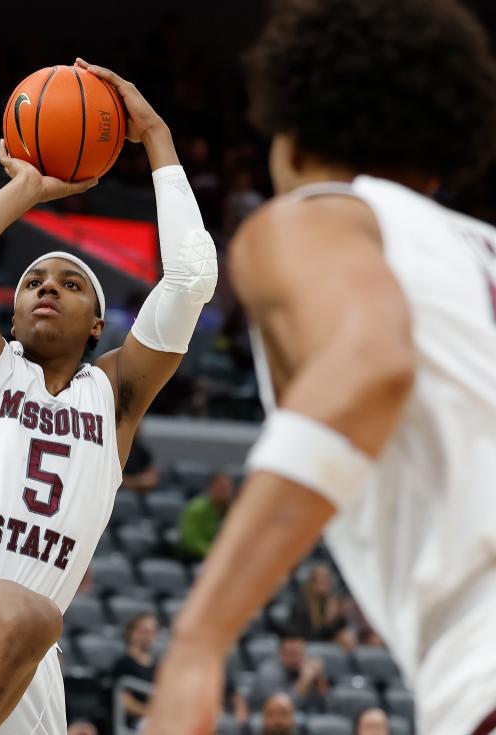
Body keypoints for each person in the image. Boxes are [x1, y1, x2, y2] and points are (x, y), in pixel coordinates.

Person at [144, 1, 496, 734]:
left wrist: (198, 641)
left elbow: (369, 364)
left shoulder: (312, 215)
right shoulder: (475, 247)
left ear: (291, 140)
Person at [0, 57, 218, 735]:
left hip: (25, 654)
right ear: (10, 314)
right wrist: (26, 190)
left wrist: (155, 136)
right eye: (33, 281)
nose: (46, 287)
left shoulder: (114, 394)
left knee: (32, 621)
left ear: (99, 322)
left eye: (68, 281)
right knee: (31, 613)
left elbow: (191, 276)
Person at [252, 634, 327, 713]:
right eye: (291, 654)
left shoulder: (308, 668)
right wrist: (304, 680)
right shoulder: (268, 673)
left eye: (300, 654)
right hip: (266, 717)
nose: (296, 659)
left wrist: (320, 681)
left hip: (304, 714)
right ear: (280, 654)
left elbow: (325, 705)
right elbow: (282, 710)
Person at [113, 613, 160, 728]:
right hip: (135, 722)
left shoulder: (157, 665)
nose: (149, 636)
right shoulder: (123, 664)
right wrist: (149, 712)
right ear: (132, 633)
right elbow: (125, 702)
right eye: (145, 631)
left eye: (152, 632)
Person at [178, 472, 234, 561]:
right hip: (196, 558)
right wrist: (216, 553)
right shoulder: (195, 509)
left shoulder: (234, 511)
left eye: (228, 487)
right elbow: (191, 541)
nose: (225, 491)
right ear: (211, 488)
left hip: (224, 558)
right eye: (221, 487)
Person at [288, 564, 348, 643]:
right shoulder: (301, 604)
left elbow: (335, 631)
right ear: (311, 582)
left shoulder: (332, 602)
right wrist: (329, 620)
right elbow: (307, 636)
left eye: (326, 580)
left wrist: (336, 618)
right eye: (319, 580)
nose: (323, 584)